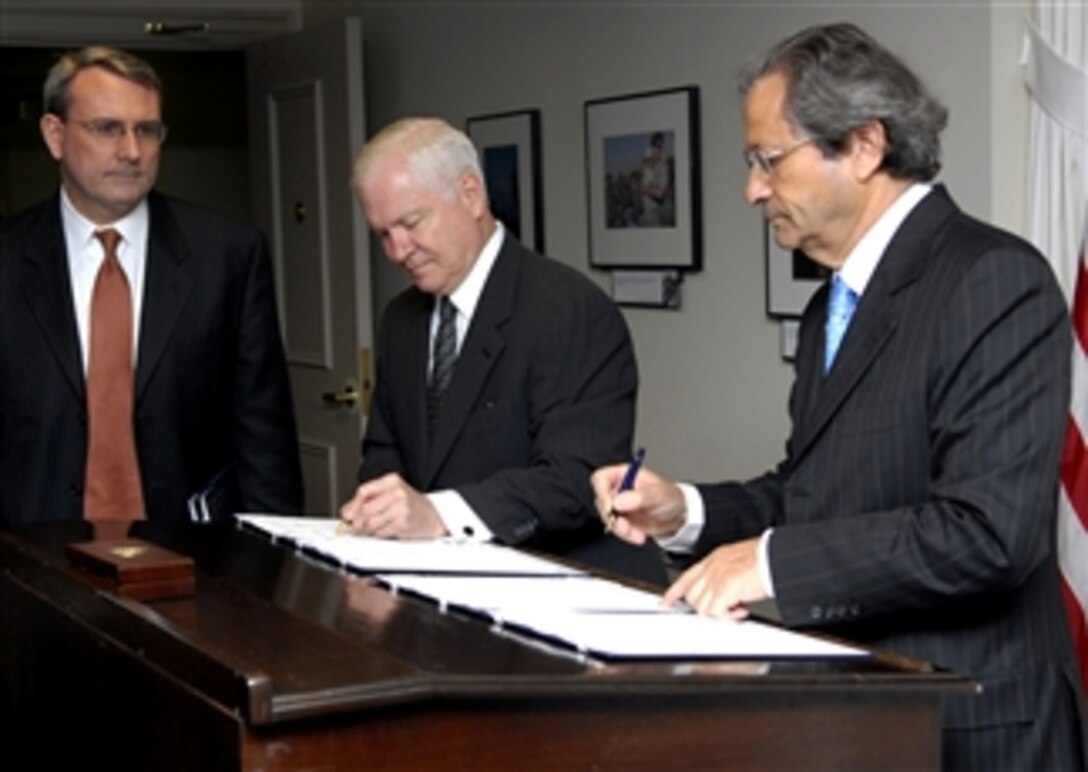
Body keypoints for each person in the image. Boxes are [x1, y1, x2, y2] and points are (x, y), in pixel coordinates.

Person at [592, 23, 1086, 770]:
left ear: (863, 146)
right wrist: (684, 511)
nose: (751, 189)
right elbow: (814, 493)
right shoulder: (832, 304)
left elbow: (987, 536)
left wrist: (767, 565)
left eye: (767, 160)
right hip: (864, 714)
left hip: (971, 729)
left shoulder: (993, 281)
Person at [339, 117, 664, 584]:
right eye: (383, 234)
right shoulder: (401, 320)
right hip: (439, 592)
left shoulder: (569, 310)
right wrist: (380, 507)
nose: (397, 250)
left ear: (471, 195)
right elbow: (386, 449)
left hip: (559, 591)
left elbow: (575, 479)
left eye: (410, 223)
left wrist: (436, 514)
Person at [0, 46, 302, 526]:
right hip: (30, 560)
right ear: (54, 136)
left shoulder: (226, 254)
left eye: (147, 130)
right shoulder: (10, 259)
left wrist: (269, 564)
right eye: (107, 129)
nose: (132, 152)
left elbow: (263, 435)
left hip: (194, 560)